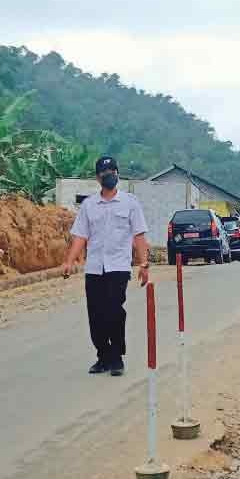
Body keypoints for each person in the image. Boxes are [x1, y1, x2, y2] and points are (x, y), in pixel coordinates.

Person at [61, 156, 150, 377]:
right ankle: (103, 356)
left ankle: (116, 357)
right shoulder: (89, 205)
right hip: (94, 268)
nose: (109, 175)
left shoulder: (130, 203)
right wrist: (69, 261)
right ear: (97, 178)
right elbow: (80, 236)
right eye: (104, 172)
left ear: (118, 173)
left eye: (112, 170)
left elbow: (139, 234)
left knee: (114, 311)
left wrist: (144, 263)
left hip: (118, 267)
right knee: (96, 315)